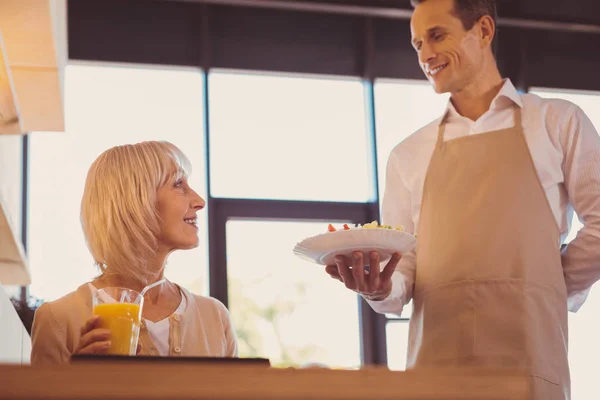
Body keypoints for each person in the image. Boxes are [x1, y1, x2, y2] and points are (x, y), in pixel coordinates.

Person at [325, 0, 600, 399]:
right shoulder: (408, 154)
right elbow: (403, 271)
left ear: (484, 30)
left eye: (437, 36)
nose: (426, 54)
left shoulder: (559, 122)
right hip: (435, 370)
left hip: (530, 364)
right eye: (417, 43)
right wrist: (377, 287)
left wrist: (548, 284)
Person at [31, 141, 238, 363]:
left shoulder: (216, 318)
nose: (199, 201)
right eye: (179, 184)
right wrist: (81, 383)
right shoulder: (58, 320)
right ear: (136, 202)